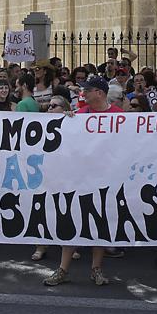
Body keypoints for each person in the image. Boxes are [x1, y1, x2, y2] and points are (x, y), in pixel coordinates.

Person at [45, 78, 119, 287]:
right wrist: (68, 121)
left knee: (100, 224)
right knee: (72, 221)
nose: (83, 93)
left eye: (87, 90)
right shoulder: (79, 114)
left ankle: (96, 269)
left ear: (100, 93)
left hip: (104, 179)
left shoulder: (118, 116)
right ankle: (63, 269)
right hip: (78, 179)